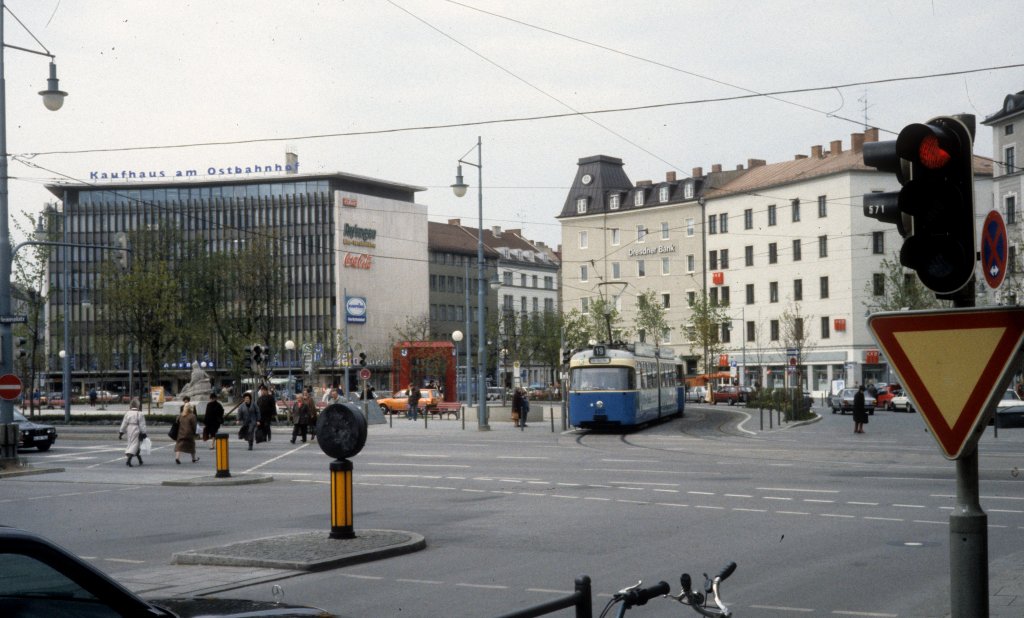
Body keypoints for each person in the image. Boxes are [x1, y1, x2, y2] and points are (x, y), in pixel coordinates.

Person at [118, 398, 147, 467]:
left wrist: (121, 432)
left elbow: (124, 423)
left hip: (129, 429)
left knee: (131, 443)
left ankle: (140, 460)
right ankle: (129, 460)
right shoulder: (140, 414)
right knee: (135, 445)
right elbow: (142, 425)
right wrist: (144, 432)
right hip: (136, 429)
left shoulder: (128, 413)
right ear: (138, 405)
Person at [175, 396, 199, 464]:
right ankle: (193, 459)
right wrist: (196, 433)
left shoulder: (180, 416)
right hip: (189, 433)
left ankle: (177, 458)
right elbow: (195, 426)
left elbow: (177, 422)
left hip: (181, 432)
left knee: (179, 445)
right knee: (192, 445)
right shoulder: (192, 416)